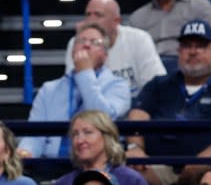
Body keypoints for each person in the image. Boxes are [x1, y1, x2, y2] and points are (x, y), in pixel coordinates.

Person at [125, 20, 211, 185]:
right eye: (187, 46)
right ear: (179, 52)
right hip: (155, 167)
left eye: (200, 46)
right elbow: (137, 114)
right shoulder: (160, 84)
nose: (193, 52)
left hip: (210, 170)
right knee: (127, 173)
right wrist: (135, 147)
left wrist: (204, 160)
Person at [17, 22, 131, 158]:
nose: (86, 45)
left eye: (95, 42)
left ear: (105, 55)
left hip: (98, 163)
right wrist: (25, 152)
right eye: (81, 41)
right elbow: (35, 134)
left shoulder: (118, 85)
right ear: (72, 50)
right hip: (53, 163)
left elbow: (102, 120)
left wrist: (85, 74)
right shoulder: (49, 89)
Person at [63, 0, 166, 97]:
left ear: (116, 21)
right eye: (88, 15)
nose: (91, 21)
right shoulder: (77, 43)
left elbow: (155, 84)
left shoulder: (139, 38)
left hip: (136, 105)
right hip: (95, 107)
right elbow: (72, 90)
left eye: (98, 15)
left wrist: (141, 108)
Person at [46, 110, 152, 185]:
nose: (80, 140)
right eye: (75, 134)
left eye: (87, 132)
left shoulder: (131, 180)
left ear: (107, 137)